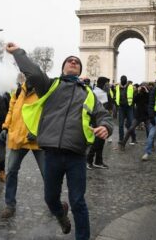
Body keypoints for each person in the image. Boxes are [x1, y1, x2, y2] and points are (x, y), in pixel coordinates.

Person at [7, 42, 113, 240]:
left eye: (76, 62)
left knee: (78, 201)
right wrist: (18, 52)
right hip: (52, 154)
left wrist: (106, 127)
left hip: (76, 155)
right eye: (69, 61)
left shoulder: (89, 94)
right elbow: (35, 73)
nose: (73, 62)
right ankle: (60, 215)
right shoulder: (50, 86)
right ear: (63, 68)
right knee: (50, 198)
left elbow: (104, 116)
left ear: (80, 70)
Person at [0, 79, 44, 219]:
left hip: (37, 140)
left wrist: (38, 130)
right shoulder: (18, 91)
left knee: (48, 174)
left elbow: (49, 114)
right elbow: (11, 110)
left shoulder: (44, 90)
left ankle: (54, 203)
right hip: (18, 138)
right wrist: (5, 127)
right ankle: (10, 205)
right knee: (11, 172)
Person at [118, 83, 151, 151]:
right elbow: (134, 101)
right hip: (138, 115)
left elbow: (150, 101)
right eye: (142, 87)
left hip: (146, 115)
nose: (143, 89)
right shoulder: (137, 93)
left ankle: (151, 144)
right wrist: (138, 92)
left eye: (144, 87)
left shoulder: (148, 94)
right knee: (131, 128)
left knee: (149, 130)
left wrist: (147, 92)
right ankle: (123, 143)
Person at [87, 76, 110, 169]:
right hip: (97, 120)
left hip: (102, 119)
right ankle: (88, 160)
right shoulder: (97, 93)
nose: (108, 86)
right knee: (97, 141)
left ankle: (98, 161)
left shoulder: (101, 92)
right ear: (103, 84)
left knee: (101, 141)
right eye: (106, 84)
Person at [114, 75, 134, 145]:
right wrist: (117, 105)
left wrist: (132, 105)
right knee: (121, 124)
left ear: (126, 80)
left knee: (131, 124)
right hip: (121, 108)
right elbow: (115, 96)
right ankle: (121, 139)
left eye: (124, 80)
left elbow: (133, 96)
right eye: (122, 80)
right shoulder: (117, 87)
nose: (123, 81)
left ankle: (133, 138)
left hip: (129, 107)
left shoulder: (131, 86)